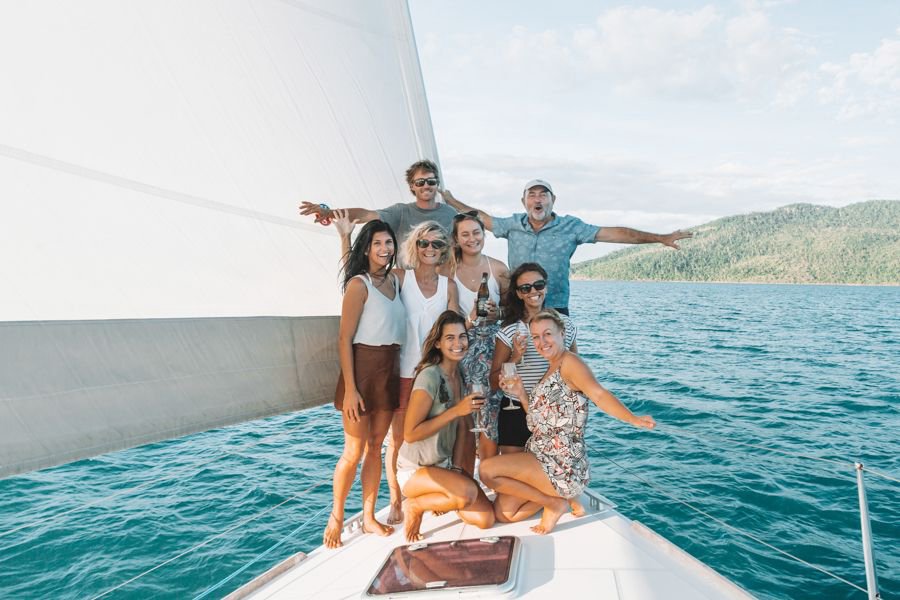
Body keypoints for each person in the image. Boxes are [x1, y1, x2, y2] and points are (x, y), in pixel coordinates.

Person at [480, 309, 656, 535]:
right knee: (505, 514)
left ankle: (555, 502)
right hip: (540, 454)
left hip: (561, 464)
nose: (541, 342)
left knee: (487, 470)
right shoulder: (551, 366)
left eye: (548, 334)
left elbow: (599, 394)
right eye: (536, 337)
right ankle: (559, 498)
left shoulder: (570, 363)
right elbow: (536, 421)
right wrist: (522, 393)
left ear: (562, 334)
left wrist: (633, 418)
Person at [441, 180, 692, 314]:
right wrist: (451, 201)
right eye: (532, 194)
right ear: (524, 201)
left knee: (558, 369)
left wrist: (659, 237)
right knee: (515, 368)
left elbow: (615, 234)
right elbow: (479, 218)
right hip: (517, 308)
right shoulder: (513, 224)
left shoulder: (571, 227)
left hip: (555, 307)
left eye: (543, 194)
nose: (537, 199)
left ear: (553, 200)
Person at [324, 220, 406, 549]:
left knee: (376, 447)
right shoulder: (359, 285)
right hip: (361, 370)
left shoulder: (397, 280)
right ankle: (337, 516)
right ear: (367, 248)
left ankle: (369, 516)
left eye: (389, 243)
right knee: (353, 451)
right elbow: (344, 338)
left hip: (390, 369)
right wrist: (351, 389)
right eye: (377, 244)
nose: (385, 249)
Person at [397, 311, 496, 542]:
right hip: (415, 470)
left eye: (462, 337)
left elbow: (464, 426)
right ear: (439, 343)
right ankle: (416, 505)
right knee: (467, 494)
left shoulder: (459, 374)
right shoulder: (429, 377)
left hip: (445, 465)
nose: (458, 343)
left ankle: (445, 493)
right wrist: (456, 411)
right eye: (450, 338)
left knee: (486, 519)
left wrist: (462, 472)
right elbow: (410, 434)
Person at [490, 263, 577, 455]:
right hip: (515, 411)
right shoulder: (510, 330)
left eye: (538, 285)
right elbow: (493, 383)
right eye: (525, 288)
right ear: (519, 294)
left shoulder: (566, 325)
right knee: (513, 475)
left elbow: (575, 369)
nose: (533, 291)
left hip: (553, 409)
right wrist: (515, 356)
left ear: (545, 287)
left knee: (548, 472)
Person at [451, 211, 509, 460]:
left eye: (476, 232)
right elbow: (449, 321)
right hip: (462, 349)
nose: (471, 238)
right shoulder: (448, 270)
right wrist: (471, 319)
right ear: (456, 239)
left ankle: (488, 466)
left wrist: (499, 313)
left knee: (492, 408)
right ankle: (466, 469)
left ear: (483, 235)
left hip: (494, 351)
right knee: (465, 410)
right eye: (465, 234)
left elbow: (514, 312)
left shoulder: (497, 268)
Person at [299, 159, 458, 248]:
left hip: (441, 286)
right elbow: (365, 214)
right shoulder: (401, 212)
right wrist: (329, 212)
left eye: (431, 181)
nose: (426, 186)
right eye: (420, 182)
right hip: (408, 285)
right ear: (412, 186)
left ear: (436, 183)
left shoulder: (450, 213)